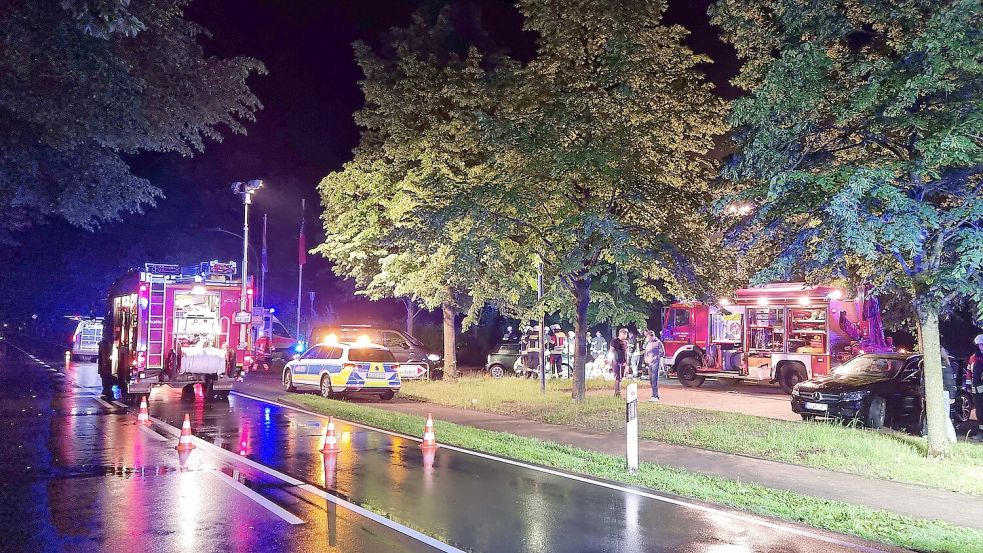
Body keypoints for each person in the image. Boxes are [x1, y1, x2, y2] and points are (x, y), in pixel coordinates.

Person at [643, 330, 665, 402]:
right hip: (649, 363)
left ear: (652, 336)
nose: (648, 339)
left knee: (654, 379)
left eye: (649, 337)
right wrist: (645, 358)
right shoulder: (647, 343)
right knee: (651, 379)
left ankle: (655, 395)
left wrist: (655, 357)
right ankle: (653, 394)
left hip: (655, 362)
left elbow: (662, 353)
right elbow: (646, 352)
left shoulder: (658, 343)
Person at [609, 328, 629, 397]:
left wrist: (626, 362)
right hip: (616, 362)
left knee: (621, 378)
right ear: (621, 334)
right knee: (618, 377)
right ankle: (617, 393)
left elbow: (626, 353)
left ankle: (618, 393)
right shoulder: (615, 341)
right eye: (625, 334)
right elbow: (611, 350)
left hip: (623, 362)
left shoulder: (625, 342)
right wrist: (612, 360)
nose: (626, 336)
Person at [971, 335, 983, 441]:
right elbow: (972, 373)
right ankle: (981, 432)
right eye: (979, 344)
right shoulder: (975, 357)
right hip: (977, 390)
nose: (981, 346)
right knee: (979, 412)